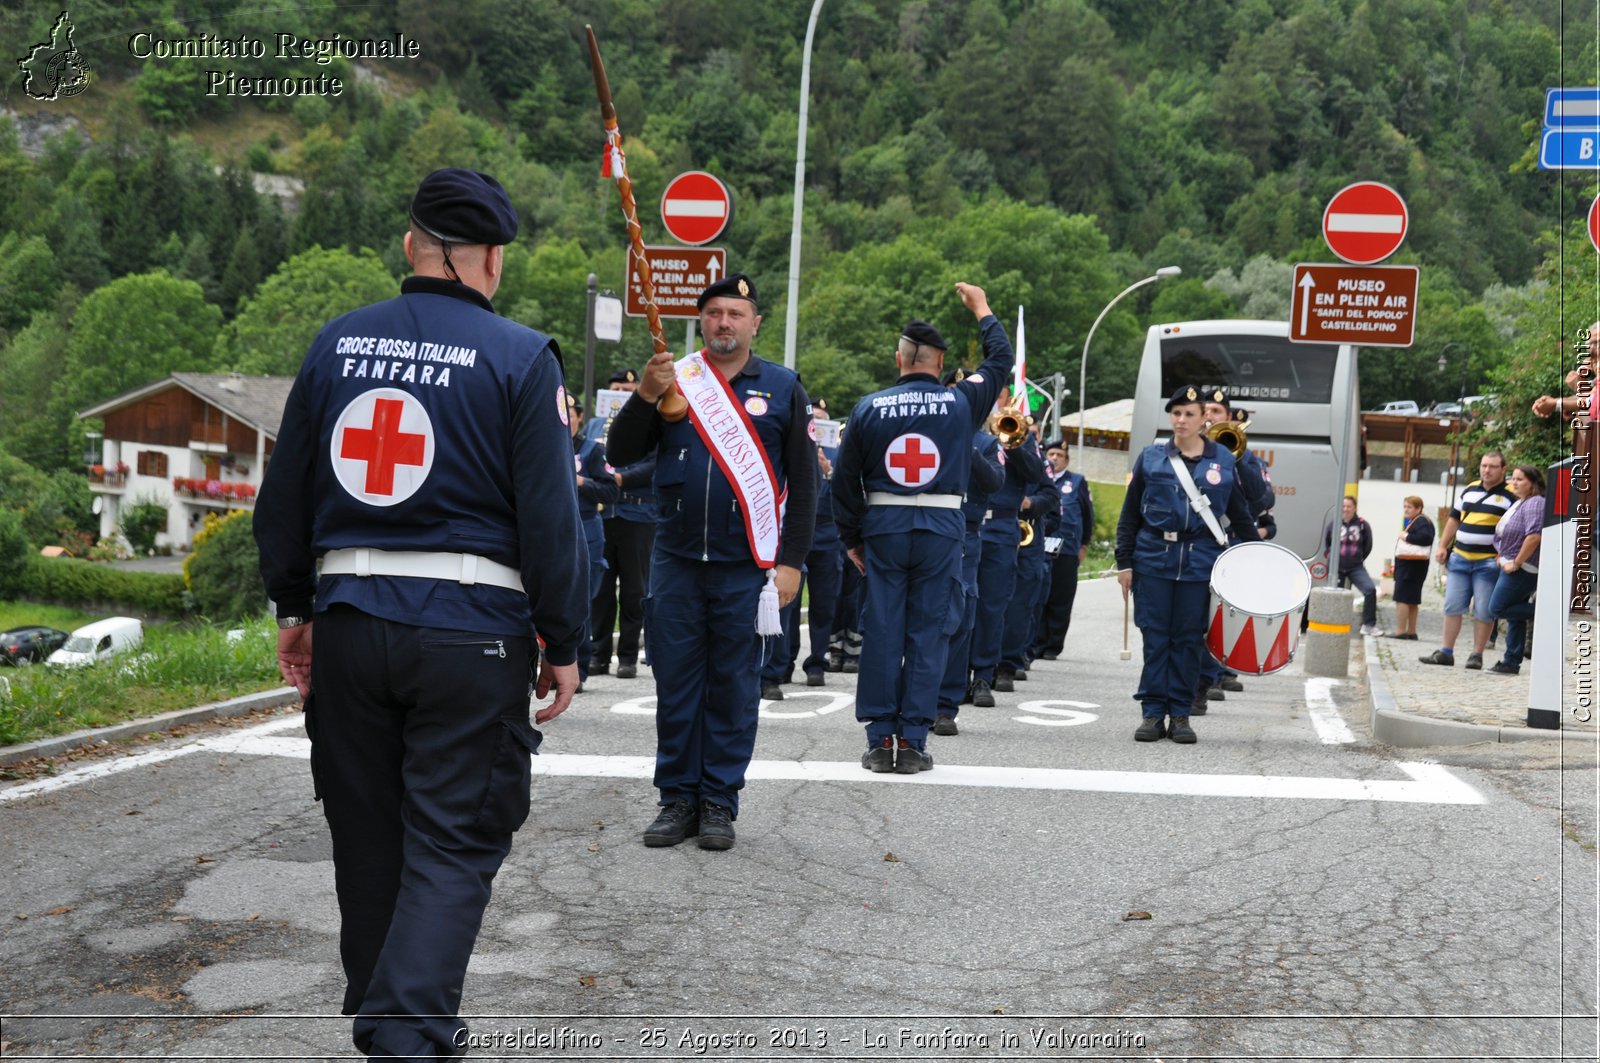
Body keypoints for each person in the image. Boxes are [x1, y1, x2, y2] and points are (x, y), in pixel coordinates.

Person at [253, 168, 588, 1060]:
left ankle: (399, 1012)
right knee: (455, 835)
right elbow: (552, 518)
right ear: (491, 260)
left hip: (352, 616)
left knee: (367, 832)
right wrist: (565, 636)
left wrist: (296, 606)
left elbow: (281, 499)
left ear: (411, 247)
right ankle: (404, 1031)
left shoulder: (337, 344)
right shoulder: (522, 357)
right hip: (471, 631)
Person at [606, 273, 816, 850]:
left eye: (736, 313)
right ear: (702, 321)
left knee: (733, 687)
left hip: (745, 568)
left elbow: (803, 482)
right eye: (715, 313)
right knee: (675, 685)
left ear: (754, 323)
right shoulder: (676, 380)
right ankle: (677, 798)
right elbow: (620, 454)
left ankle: (719, 800)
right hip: (674, 559)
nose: (725, 322)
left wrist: (793, 560)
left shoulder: (782, 386)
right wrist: (646, 395)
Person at [833, 283, 1013, 771]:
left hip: (884, 527)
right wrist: (980, 308)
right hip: (941, 529)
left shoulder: (868, 407)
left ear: (900, 358)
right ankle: (913, 741)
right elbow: (1001, 360)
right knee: (930, 633)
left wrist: (852, 538)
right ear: (938, 362)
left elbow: (844, 481)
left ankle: (878, 740)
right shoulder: (961, 403)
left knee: (884, 632)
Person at [1115, 386, 1255, 745]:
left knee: (1189, 640)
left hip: (1199, 564)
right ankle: (1151, 713)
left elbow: (1239, 513)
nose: (1181, 420)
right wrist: (1124, 562)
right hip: (1153, 560)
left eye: (1189, 414)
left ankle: (1180, 714)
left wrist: (1255, 559)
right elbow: (1130, 515)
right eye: (1176, 413)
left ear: (1203, 419)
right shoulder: (1150, 458)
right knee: (1156, 638)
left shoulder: (1222, 459)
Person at [969, 387, 1045, 703]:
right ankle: (954, 677)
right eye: (993, 399)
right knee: (960, 605)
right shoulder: (966, 431)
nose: (997, 404)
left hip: (1001, 527)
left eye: (1002, 398)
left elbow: (1037, 474)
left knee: (992, 606)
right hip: (967, 523)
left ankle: (984, 676)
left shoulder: (1019, 435)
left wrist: (1011, 445)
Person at [933, 406, 1006, 737]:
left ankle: (945, 706)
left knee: (960, 616)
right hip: (928, 528)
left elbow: (994, 481)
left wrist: (967, 446)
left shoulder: (986, 443)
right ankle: (915, 700)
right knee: (923, 615)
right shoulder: (926, 430)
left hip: (967, 533)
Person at [1420, 451, 1514, 669]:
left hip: (1487, 562)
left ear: (1503, 469)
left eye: (1492, 466)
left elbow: (1514, 528)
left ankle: (1476, 654)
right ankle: (1446, 651)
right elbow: (1454, 519)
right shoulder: (1470, 489)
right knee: (1452, 605)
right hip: (1460, 557)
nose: (1486, 470)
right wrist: (1443, 545)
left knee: (1483, 609)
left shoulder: (1510, 495)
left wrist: (1504, 554)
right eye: (1484, 465)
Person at [590, 367, 655, 680]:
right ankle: (598, 655)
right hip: (600, 515)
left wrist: (620, 478)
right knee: (600, 590)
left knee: (633, 590)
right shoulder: (593, 426)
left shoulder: (649, 424)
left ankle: (627, 656)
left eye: (630, 391)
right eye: (618, 389)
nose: (624, 395)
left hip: (636, 515)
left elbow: (654, 465)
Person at [571, 396, 619, 689]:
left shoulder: (591, 450)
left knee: (580, 601)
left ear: (578, 418)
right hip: (550, 531)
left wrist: (583, 483)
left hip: (586, 530)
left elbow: (610, 491)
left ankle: (578, 666)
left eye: (570, 411)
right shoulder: (541, 443)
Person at [1032, 439, 1093, 661]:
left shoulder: (1076, 482)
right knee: (1039, 596)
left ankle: (1053, 645)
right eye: (1051, 454)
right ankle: (1035, 642)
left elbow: (1087, 515)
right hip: (1040, 546)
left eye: (1059, 455)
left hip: (1066, 548)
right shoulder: (1040, 480)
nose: (1055, 458)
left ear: (1066, 459)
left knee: (1061, 598)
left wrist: (1084, 544)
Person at [1486, 465, 1546, 675]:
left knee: (1497, 608)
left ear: (1533, 483)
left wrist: (1516, 562)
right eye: (1513, 478)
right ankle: (1511, 661)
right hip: (1510, 564)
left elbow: (1534, 536)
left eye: (1520, 479)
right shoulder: (1521, 502)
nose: (1514, 482)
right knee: (1514, 615)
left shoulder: (1535, 503)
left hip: (1523, 569)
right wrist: (1502, 555)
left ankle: (1546, 612)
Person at [1325, 496, 1378, 637]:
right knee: (1335, 595)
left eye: (1349, 506)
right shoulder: (1334, 524)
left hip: (1356, 567)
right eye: (1343, 506)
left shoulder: (1362, 525)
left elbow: (1368, 545)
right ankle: (1333, 623)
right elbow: (1328, 544)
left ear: (1354, 508)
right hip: (1337, 567)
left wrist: (1357, 558)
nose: (1346, 509)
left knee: (1370, 590)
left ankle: (1368, 625)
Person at [1387, 495, 1433, 640]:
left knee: (1402, 598)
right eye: (1405, 506)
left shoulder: (1421, 522)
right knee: (1412, 599)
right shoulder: (1420, 521)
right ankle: (1411, 631)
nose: (1406, 510)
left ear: (1418, 508)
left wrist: (1406, 536)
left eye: (1409, 507)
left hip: (1410, 566)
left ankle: (1401, 631)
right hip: (1415, 566)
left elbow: (1426, 538)